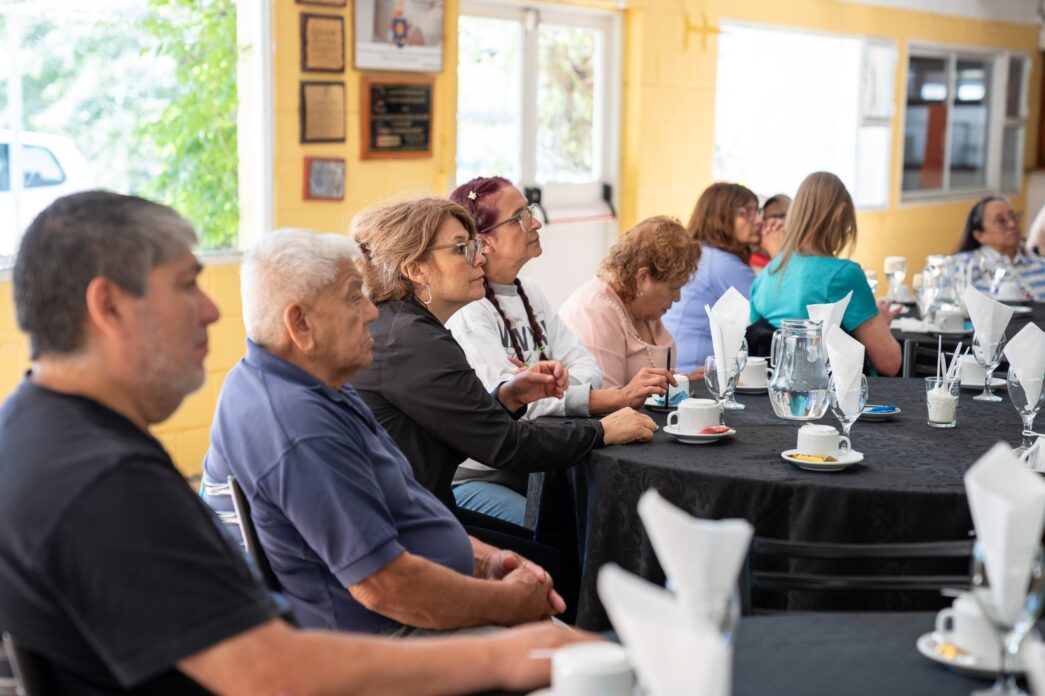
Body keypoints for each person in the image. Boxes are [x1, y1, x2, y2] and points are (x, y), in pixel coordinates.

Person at [0, 191, 592, 695]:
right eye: (187, 285)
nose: (211, 310)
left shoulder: (53, 431)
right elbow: (267, 672)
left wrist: (484, 564)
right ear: (108, 306)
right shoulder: (99, 480)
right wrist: (506, 650)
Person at [202, 227, 565, 635]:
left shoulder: (317, 381)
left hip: (417, 604)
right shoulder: (295, 424)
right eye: (353, 297)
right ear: (300, 323)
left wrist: (485, 561)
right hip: (386, 636)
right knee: (571, 651)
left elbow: (406, 504)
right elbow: (385, 587)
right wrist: (506, 603)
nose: (372, 312)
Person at [350, 197, 657, 529]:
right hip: (404, 527)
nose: (480, 258)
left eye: (475, 246)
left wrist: (509, 397)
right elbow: (503, 445)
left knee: (556, 539)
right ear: (415, 269)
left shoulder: (407, 327)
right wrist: (602, 431)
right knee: (563, 546)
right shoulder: (413, 340)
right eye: (461, 249)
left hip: (412, 510)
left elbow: (466, 426)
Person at [445, 177, 674, 523]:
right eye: (520, 217)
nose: (536, 223)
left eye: (530, 211)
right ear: (484, 240)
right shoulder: (469, 310)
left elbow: (589, 369)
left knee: (607, 514)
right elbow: (512, 405)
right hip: (481, 477)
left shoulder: (530, 292)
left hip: (535, 465)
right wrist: (608, 397)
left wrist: (542, 386)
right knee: (558, 529)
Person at [750, 171, 902, 376]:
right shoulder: (844, 275)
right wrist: (880, 323)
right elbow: (890, 363)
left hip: (778, 389)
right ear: (840, 211)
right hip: (835, 391)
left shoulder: (765, 276)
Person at [559, 216, 702, 389]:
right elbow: (606, 395)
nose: (677, 298)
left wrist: (685, 380)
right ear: (642, 278)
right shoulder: (594, 310)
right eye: (673, 288)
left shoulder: (641, 308)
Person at [661, 183, 760, 375]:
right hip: (696, 372)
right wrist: (779, 251)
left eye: (757, 211)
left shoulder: (703, 253)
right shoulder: (723, 264)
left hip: (676, 365)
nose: (758, 220)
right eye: (747, 212)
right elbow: (768, 311)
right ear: (722, 217)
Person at [952, 196, 1045, 301]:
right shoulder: (962, 266)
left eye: (1013, 217)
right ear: (980, 235)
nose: (1012, 224)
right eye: (1001, 221)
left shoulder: (1040, 266)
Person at [750, 193, 790, 271]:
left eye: (782, 216)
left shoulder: (806, 250)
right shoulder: (754, 258)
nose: (774, 221)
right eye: (768, 218)